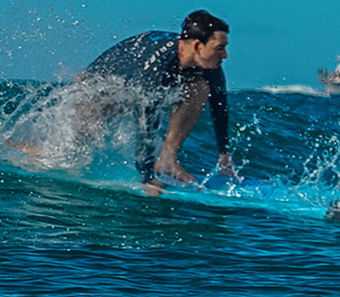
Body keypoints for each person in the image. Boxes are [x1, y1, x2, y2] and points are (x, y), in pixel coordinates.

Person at [74, 11, 237, 192]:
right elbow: (146, 122)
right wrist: (147, 179)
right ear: (198, 46)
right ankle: (38, 153)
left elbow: (219, 104)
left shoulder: (209, 64)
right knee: (69, 150)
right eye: (219, 48)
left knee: (199, 88)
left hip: (132, 86)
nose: (225, 55)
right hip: (94, 89)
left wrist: (224, 154)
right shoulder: (156, 67)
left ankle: (168, 159)